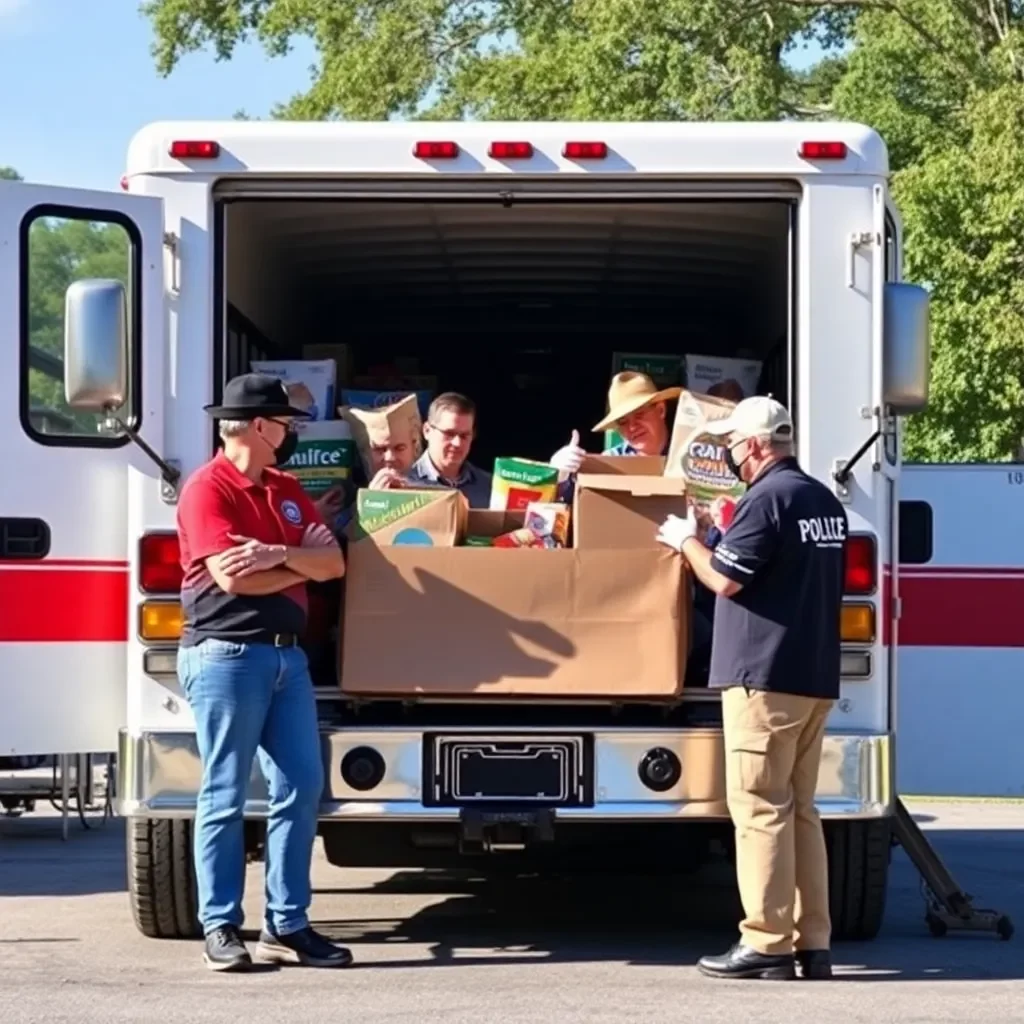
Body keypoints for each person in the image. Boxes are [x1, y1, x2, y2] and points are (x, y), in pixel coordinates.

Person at [655, 396, 847, 981]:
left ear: (756, 445)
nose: (730, 455)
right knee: (801, 812)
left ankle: (764, 941)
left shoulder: (767, 500)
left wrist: (686, 540)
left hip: (763, 681)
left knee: (760, 809)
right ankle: (812, 942)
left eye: (733, 445)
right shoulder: (819, 499)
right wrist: (724, 526)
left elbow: (725, 580)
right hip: (811, 677)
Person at [175, 372, 353, 973]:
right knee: (224, 795)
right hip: (227, 653)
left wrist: (278, 555)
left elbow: (333, 563)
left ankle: (287, 923)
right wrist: (300, 564)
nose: (290, 432)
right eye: (284, 423)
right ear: (257, 426)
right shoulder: (207, 489)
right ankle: (221, 925)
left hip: (286, 658)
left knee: (302, 787)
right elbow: (231, 579)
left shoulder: (283, 486)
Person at [406, 392, 492, 507]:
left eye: (464, 436)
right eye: (449, 434)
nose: (457, 443)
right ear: (427, 431)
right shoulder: (405, 485)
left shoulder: (489, 487)